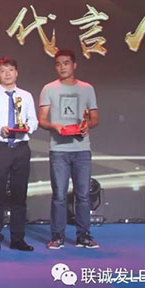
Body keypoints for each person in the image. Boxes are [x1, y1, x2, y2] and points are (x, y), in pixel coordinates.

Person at [38, 49, 100, 250]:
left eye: (66, 63)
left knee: (83, 195)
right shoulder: (49, 89)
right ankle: (58, 236)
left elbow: (95, 118)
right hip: (59, 149)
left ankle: (84, 236)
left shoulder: (87, 89)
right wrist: (54, 126)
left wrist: (87, 125)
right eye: (58, 64)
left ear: (74, 65)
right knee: (59, 195)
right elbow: (42, 120)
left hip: (82, 149)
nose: (62, 67)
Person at [0, 57, 38, 253]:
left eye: (11, 70)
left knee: (20, 195)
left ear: (16, 72)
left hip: (21, 147)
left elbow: (34, 120)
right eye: (3, 71)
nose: (7, 74)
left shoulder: (26, 96)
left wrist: (27, 127)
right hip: (0, 148)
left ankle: (18, 238)